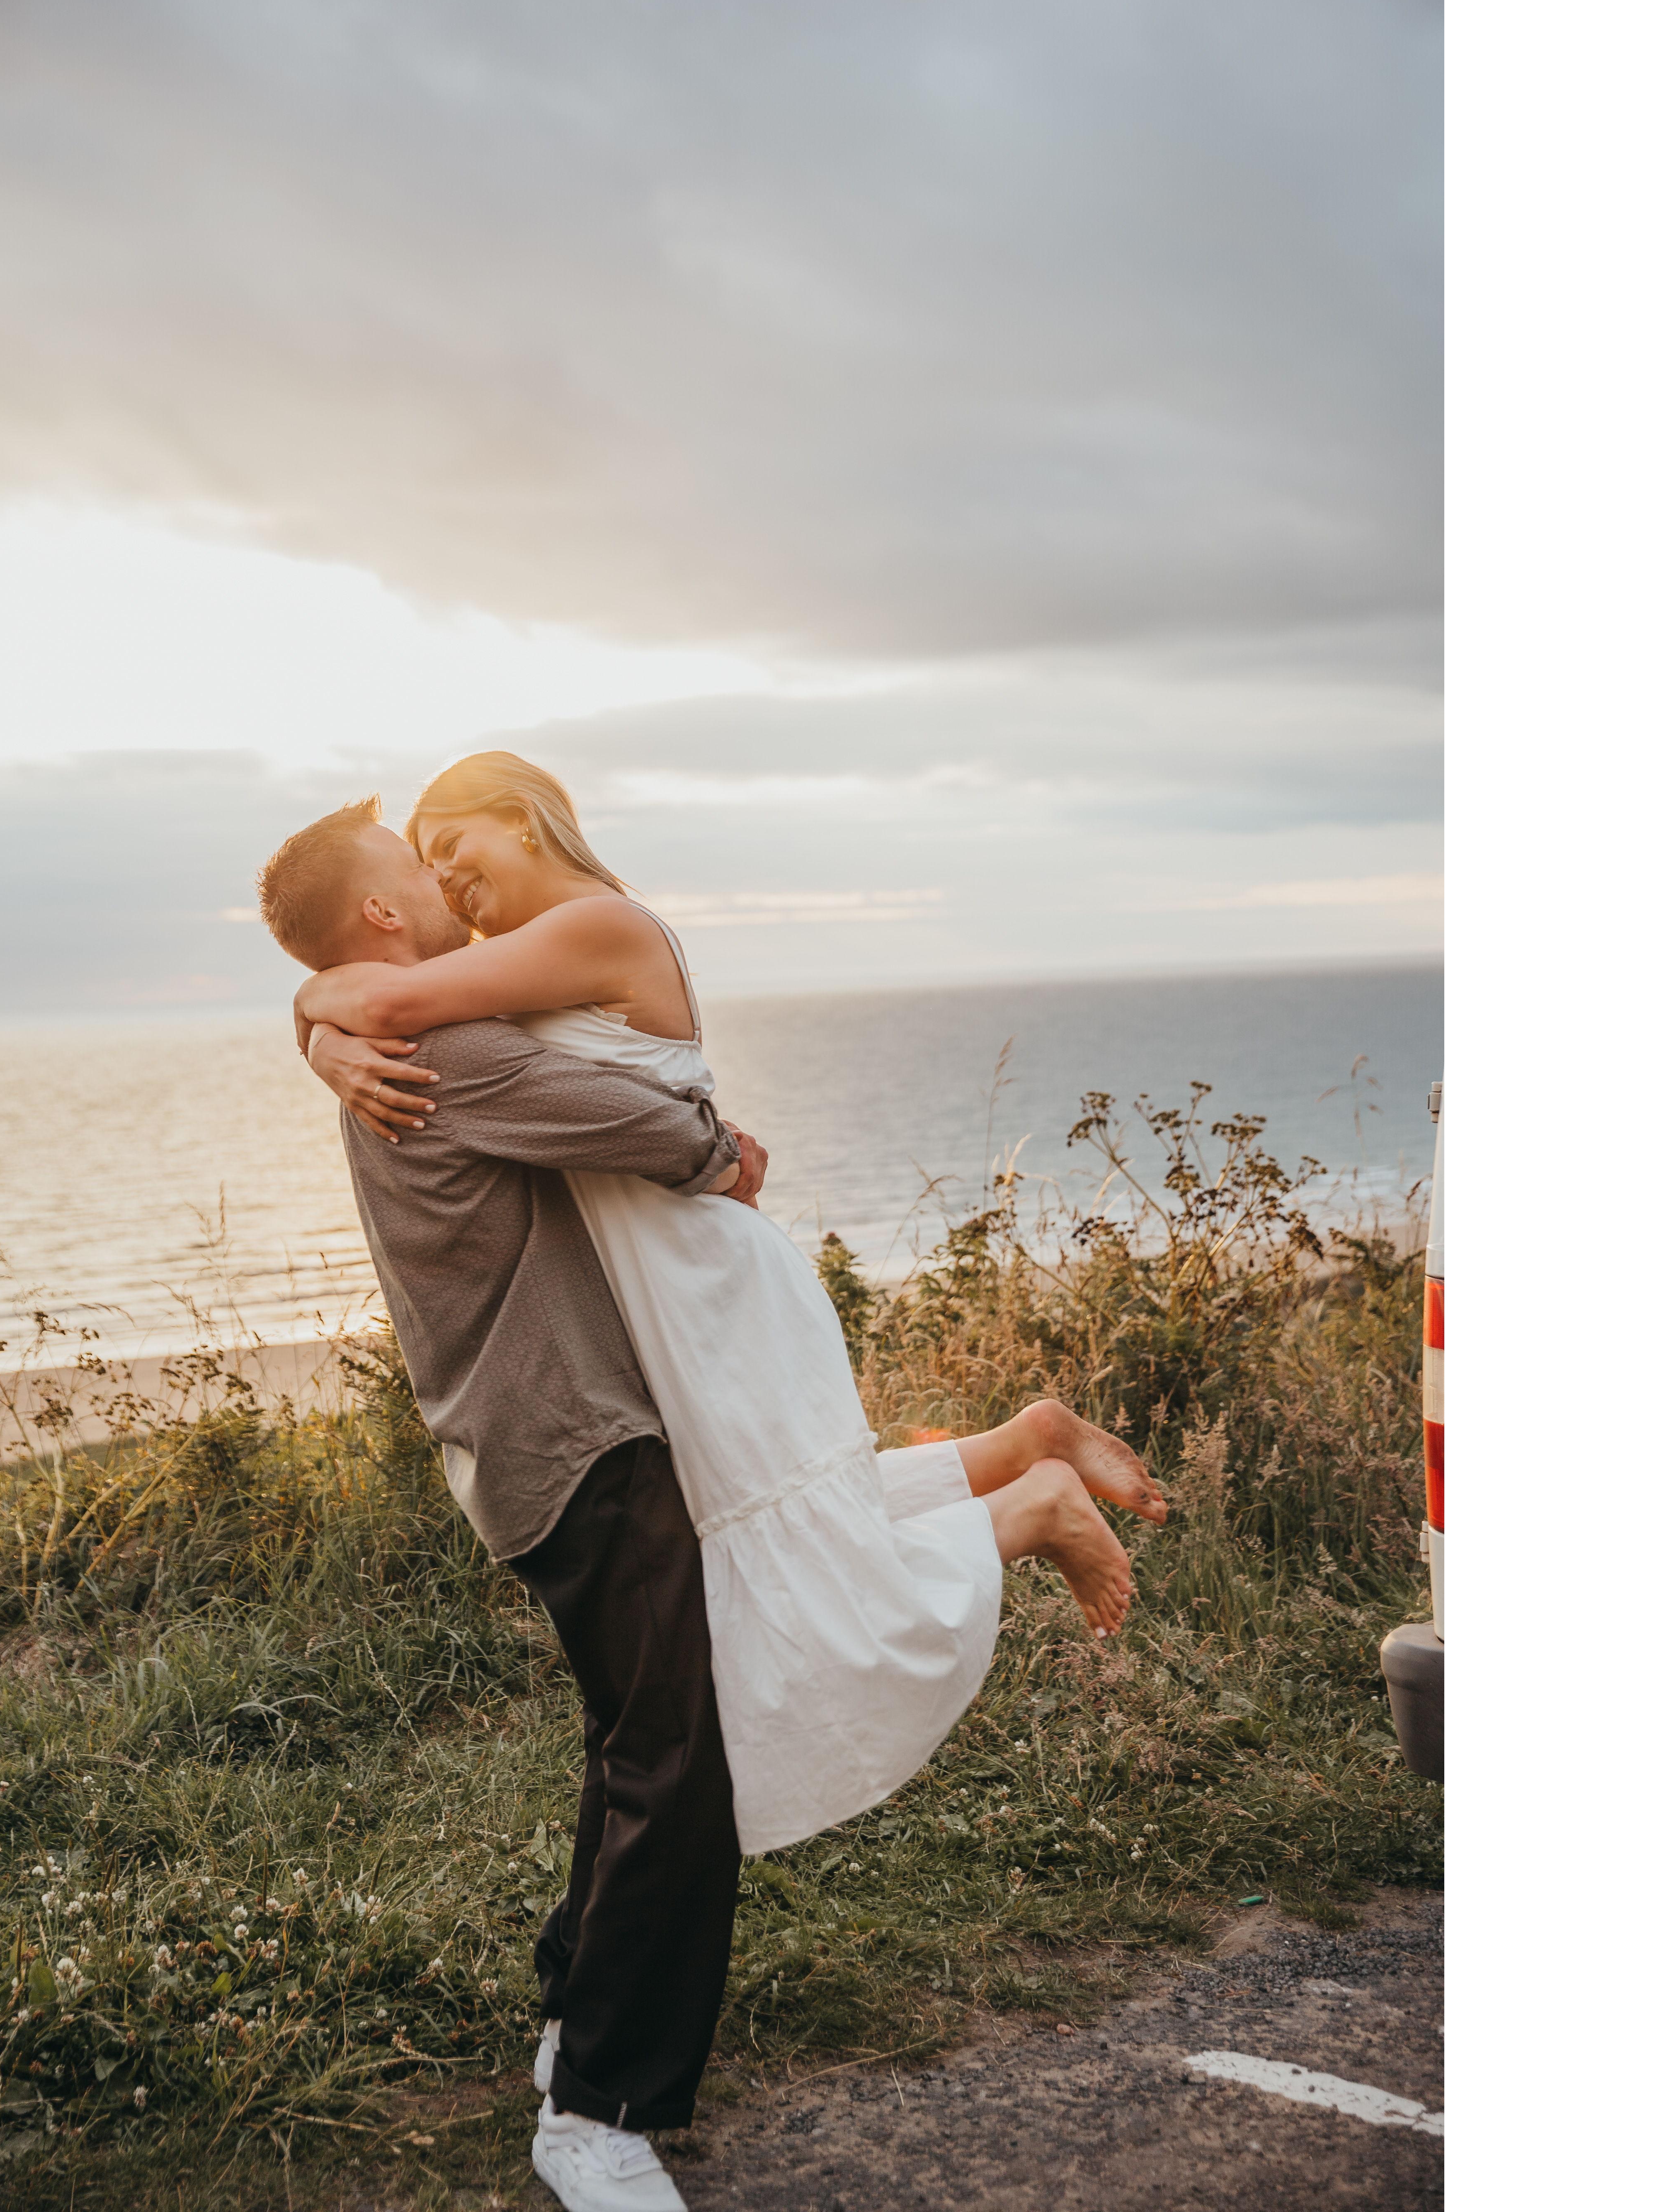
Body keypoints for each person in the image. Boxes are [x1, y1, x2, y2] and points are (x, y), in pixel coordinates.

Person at [259, 769, 1168, 2208]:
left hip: (556, 1445)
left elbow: (430, 1028)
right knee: (678, 1762)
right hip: (579, 1445)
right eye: (415, 871)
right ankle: (600, 2116)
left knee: (645, 1741)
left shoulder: (410, 1035)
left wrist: (312, 1017)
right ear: (383, 907)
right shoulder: (447, 1053)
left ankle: (579, 2032)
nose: (443, 887)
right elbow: (634, 1125)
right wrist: (713, 1151)